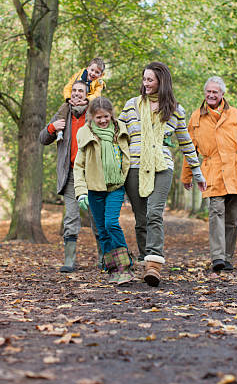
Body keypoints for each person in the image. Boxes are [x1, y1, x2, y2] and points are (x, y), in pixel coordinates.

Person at [119, 62, 206, 287]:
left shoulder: (175, 109)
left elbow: (186, 142)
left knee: (154, 214)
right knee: (140, 219)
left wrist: (197, 172)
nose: (145, 84)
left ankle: (153, 265)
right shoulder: (132, 106)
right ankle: (145, 257)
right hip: (135, 168)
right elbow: (117, 133)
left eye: (150, 80)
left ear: (161, 81)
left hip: (162, 167)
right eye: (144, 79)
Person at [182, 76, 237, 274]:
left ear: (222, 94)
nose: (211, 95)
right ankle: (218, 257)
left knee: (232, 219)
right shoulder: (196, 117)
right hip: (212, 171)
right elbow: (189, 149)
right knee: (216, 212)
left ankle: (227, 257)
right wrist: (186, 175)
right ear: (205, 93)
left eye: (215, 92)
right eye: (208, 92)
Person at [39, 80, 101, 272]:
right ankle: (69, 260)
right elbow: (42, 138)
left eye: (80, 91)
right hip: (70, 175)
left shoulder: (94, 112)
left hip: (92, 174)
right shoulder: (62, 113)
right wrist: (52, 127)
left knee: (97, 217)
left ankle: (103, 258)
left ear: (87, 94)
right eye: (74, 90)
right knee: (71, 218)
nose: (76, 94)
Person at [74, 97, 133, 285]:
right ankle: (113, 269)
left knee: (111, 224)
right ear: (91, 117)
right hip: (94, 189)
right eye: (98, 117)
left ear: (111, 114)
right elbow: (79, 166)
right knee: (102, 231)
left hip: (115, 186)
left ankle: (125, 266)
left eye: (106, 116)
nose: (102, 120)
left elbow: (127, 156)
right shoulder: (85, 134)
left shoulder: (119, 131)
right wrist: (81, 191)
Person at [56, 57, 106, 142]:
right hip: (73, 100)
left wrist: (86, 100)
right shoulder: (78, 76)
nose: (93, 73)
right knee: (63, 109)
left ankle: (89, 133)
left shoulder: (99, 83)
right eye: (92, 70)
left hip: (87, 102)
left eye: (97, 72)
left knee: (89, 113)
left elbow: (97, 94)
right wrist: (68, 99)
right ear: (88, 69)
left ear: (101, 75)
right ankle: (59, 132)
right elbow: (68, 87)